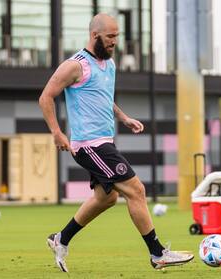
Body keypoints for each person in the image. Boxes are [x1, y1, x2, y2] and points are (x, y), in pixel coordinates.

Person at [39, 13, 194, 272]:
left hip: (104, 142)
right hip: (89, 145)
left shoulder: (109, 65)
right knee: (136, 190)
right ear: (94, 35)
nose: (114, 42)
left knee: (106, 198)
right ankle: (158, 254)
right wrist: (56, 132)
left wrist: (123, 117)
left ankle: (61, 239)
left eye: (116, 37)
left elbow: (102, 97)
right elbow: (46, 97)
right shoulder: (75, 65)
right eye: (110, 36)